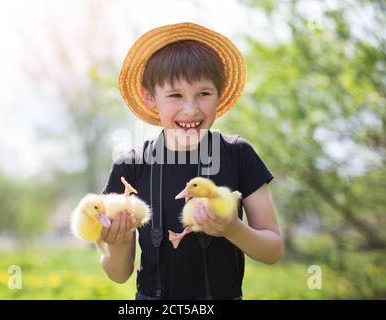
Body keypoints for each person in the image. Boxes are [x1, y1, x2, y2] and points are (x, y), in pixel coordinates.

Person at [100, 22, 283, 300]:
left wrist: (233, 229)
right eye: (175, 95)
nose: (191, 109)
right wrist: (120, 242)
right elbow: (119, 273)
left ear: (219, 94)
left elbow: (273, 250)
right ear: (151, 98)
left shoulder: (239, 154)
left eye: (203, 94)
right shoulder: (129, 167)